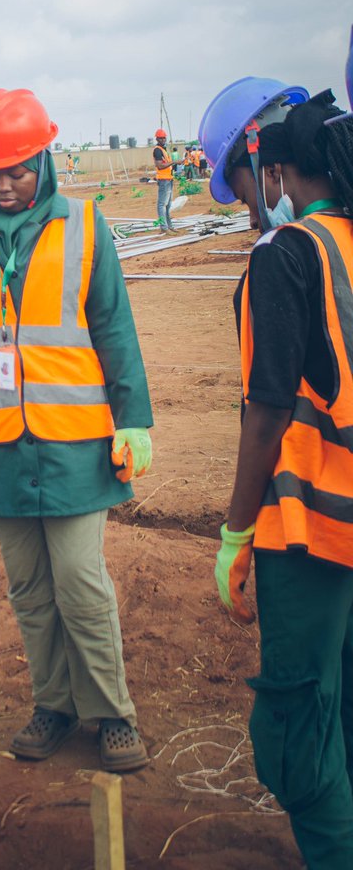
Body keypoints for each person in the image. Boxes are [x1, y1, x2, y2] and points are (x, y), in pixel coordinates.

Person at [0, 88, 153, 772]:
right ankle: (53, 705)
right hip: (2, 452)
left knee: (81, 583)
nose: (4, 183)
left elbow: (114, 327)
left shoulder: (84, 225)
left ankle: (111, 713)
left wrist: (134, 418)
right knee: (29, 590)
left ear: (43, 160)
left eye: (17, 169)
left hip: (76, 446)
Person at [200, 76, 353, 870]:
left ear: (270, 168)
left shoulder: (287, 254)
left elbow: (266, 411)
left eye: (242, 191)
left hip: (312, 529)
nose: (248, 210)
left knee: (297, 720)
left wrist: (234, 533)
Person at [152, 128, 176, 232]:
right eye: (160, 138)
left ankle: (169, 226)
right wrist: (174, 162)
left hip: (169, 179)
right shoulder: (157, 150)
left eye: (164, 138)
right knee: (162, 204)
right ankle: (164, 227)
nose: (163, 140)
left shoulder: (164, 150)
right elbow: (160, 166)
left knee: (168, 205)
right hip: (163, 180)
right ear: (157, 139)